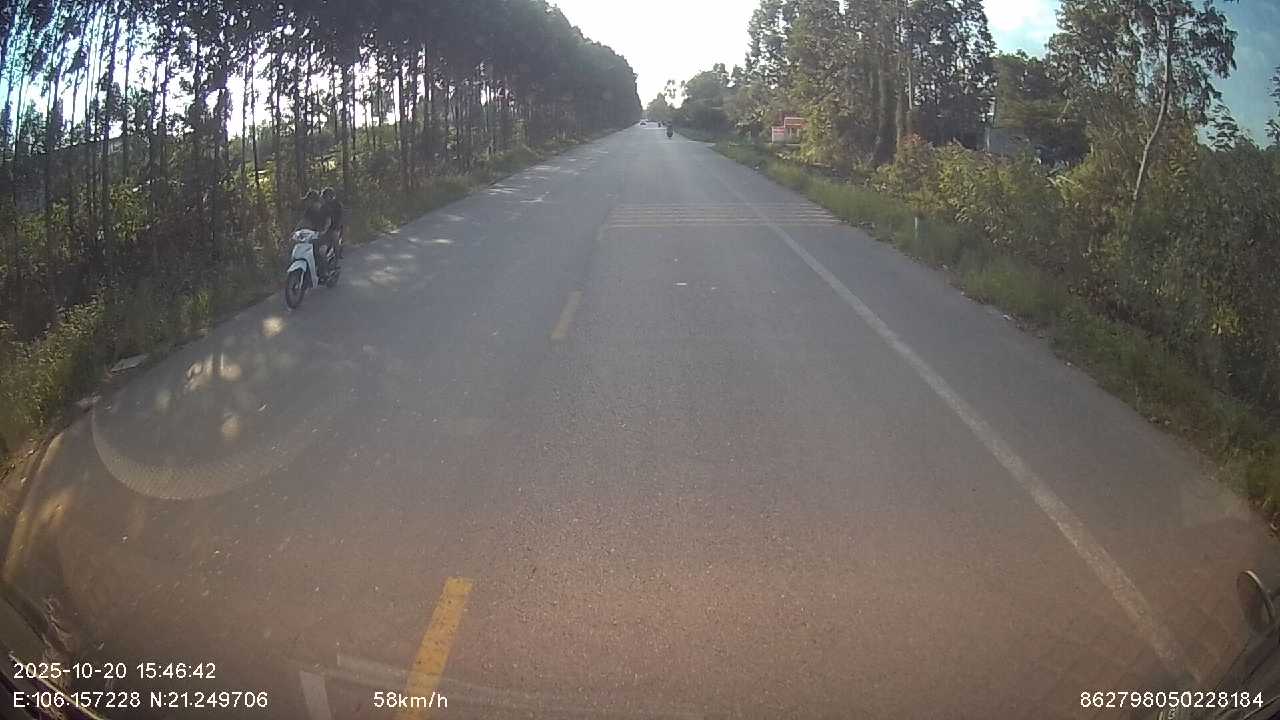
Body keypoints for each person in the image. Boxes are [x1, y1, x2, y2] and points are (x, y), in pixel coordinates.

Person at [298, 189, 333, 278]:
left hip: (325, 236)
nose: (307, 202)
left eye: (309, 200)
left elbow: (328, 221)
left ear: (314, 201)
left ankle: (325, 272)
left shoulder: (325, 209)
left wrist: (324, 231)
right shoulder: (309, 210)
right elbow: (303, 221)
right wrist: (296, 231)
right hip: (311, 235)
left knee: (321, 252)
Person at [321, 187, 344, 259]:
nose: (325, 198)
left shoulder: (337, 204)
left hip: (335, 227)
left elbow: (340, 217)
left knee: (334, 237)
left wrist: (337, 226)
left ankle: (337, 256)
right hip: (324, 227)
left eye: (326, 196)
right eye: (324, 196)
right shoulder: (323, 206)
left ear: (331, 196)